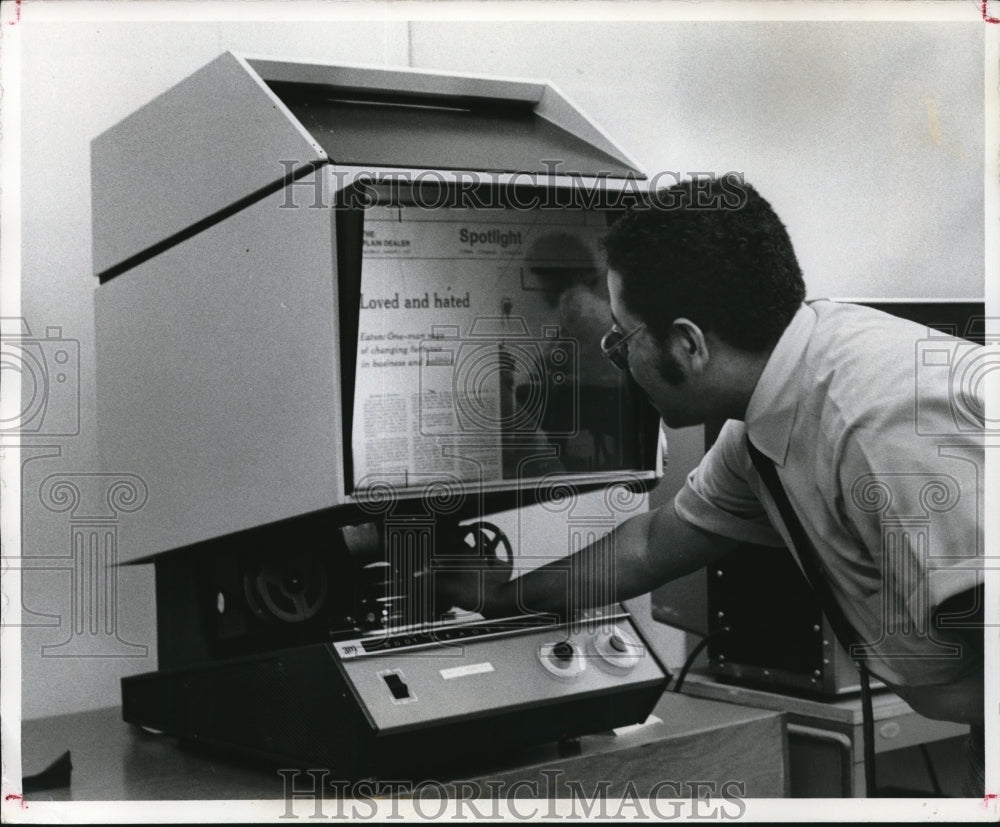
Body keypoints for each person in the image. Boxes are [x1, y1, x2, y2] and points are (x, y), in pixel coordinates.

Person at [437, 178, 986, 795]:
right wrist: (495, 599)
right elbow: (646, 548)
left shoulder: (877, 422)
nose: (618, 358)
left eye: (624, 338)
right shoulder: (774, 408)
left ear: (689, 343)